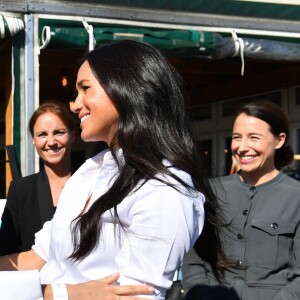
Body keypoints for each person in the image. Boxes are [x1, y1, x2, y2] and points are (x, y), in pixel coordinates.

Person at [0, 40, 227, 299]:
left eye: (85, 88)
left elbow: (136, 295)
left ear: (127, 87)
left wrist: (57, 294)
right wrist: (67, 293)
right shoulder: (88, 171)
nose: (74, 104)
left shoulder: (164, 187)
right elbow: (38, 257)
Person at [182, 100, 300, 300]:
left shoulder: (296, 196)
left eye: (254, 137)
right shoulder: (212, 191)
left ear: (279, 140)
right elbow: (193, 258)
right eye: (237, 137)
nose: (242, 147)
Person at [0, 101, 76, 255]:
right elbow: (6, 253)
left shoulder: (94, 183)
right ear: (33, 140)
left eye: (59, 132)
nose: (51, 142)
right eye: (42, 134)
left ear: (73, 135)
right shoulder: (21, 190)